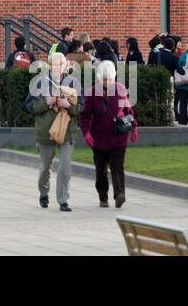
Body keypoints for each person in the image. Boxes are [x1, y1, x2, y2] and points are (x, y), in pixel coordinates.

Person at [27, 50, 81, 211]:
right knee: (45, 167)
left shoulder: (73, 83)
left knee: (65, 167)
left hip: (67, 131)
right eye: (53, 65)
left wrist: (68, 106)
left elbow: (81, 107)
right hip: (45, 131)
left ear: (65, 66)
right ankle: (44, 193)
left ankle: (63, 200)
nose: (56, 67)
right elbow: (30, 105)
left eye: (60, 64)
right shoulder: (39, 82)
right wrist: (47, 103)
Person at [80, 58, 135, 208]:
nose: (107, 82)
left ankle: (119, 194)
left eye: (109, 79)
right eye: (104, 80)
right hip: (99, 137)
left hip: (118, 136)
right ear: (98, 78)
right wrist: (86, 133)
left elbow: (128, 111)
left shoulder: (121, 90)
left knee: (118, 167)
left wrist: (134, 128)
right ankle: (103, 196)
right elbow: (84, 116)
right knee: (101, 170)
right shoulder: (91, 93)